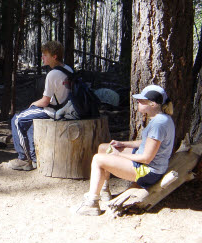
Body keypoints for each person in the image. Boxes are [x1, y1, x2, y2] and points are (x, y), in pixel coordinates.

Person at [75, 84, 175, 216]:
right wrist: (123, 144)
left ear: (152, 104)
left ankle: (92, 203)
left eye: (142, 100)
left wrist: (120, 155)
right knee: (104, 148)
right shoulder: (161, 119)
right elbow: (147, 143)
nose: (138, 102)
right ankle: (104, 190)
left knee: (98, 159)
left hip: (148, 172)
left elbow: (146, 158)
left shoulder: (158, 124)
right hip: (147, 165)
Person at [6, 41, 79, 171]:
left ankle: (24, 159)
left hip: (54, 110)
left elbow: (45, 102)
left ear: (54, 56)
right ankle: (34, 158)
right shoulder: (68, 69)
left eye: (45, 55)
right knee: (29, 120)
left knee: (17, 119)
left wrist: (33, 104)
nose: (42, 57)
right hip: (66, 108)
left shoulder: (52, 74)